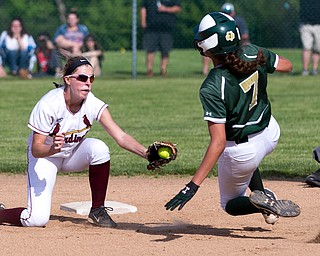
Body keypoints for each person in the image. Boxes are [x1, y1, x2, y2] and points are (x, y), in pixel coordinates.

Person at [165, 12, 300, 224]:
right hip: (270, 133)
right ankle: (262, 194)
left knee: (229, 204)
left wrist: (192, 185)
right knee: (250, 162)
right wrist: (262, 60)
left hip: (242, 152)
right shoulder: (252, 51)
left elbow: (218, 143)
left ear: (208, 46)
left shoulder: (212, 86)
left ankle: (262, 202)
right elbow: (288, 65)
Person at [0, 56, 150, 228]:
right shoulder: (48, 105)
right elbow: (36, 149)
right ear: (68, 80)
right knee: (36, 219)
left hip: (72, 154)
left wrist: (146, 153)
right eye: (82, 78)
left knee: (99, 149)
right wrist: (52, 149)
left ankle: (97, 210)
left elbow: (121, 136)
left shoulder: (91, 102)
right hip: (46, 158)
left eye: (91, 78)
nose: (88, 82)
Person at [202, 3, 250, 76]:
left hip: (237, 44)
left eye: (229, 13)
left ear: (233, 12)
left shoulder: (239, 21)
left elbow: (245, 36)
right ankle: (205, 71)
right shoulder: (217, 23)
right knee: (206, 47)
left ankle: (246, 68)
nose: (228, 15)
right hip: (221, 45)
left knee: (246, 45)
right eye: (226, 13)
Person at [140, 0, 181, 77]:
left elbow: (177, 8)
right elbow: (143, 8)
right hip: (151, 27)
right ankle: (149, 70)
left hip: (166, 28)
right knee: (150, 50)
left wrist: (166, 9)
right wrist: (143, 21)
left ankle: (163, 69)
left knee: (165, 50)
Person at [299, 0, 320, 76]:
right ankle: (305, 70)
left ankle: (314, 69)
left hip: (318, 24)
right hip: (305, 24)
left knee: (317, 49)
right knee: (306, 47)